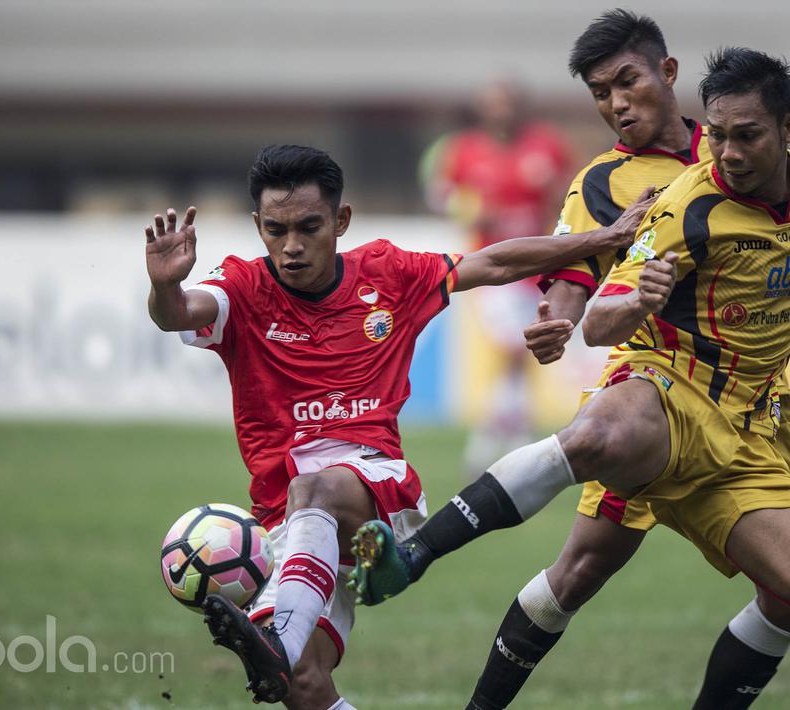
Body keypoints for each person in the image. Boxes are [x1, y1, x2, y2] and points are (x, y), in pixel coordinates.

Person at [352, 47, 790, 710]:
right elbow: (585, 290)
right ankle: (417, 555)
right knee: (584, 526)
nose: (615, 102)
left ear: (667, 75)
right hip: (662, 397)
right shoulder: (631, 189)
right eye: (599, 92)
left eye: (626, 82)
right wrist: (571, 312)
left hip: (754, 421)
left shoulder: (772, 161)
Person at [144, 144, 652, 706]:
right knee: (303, 683)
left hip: (375, 489)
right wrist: (166, 285)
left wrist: (602, 239)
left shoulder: (388, 272)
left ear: (340, 221)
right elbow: (179, 315)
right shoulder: (241, 287)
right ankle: (283, 648)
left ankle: (276, 638)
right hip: (283, 516)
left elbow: (495, 263)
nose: (291, 246)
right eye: (275, 229)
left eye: (308, 227)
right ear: (258, 227)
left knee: (312, 496)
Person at [424, 79, 575, 478]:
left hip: (539, 264)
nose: (500, 111)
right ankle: (493, 436)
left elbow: (571, 191)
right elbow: (441, 195)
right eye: (493, 104)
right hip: (490, 267)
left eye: (507, 103)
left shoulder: (547, 146)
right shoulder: (465, 151)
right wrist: (470, 211)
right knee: (514, 345)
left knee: (524, 350)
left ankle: (511, 434)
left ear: (520, 106)